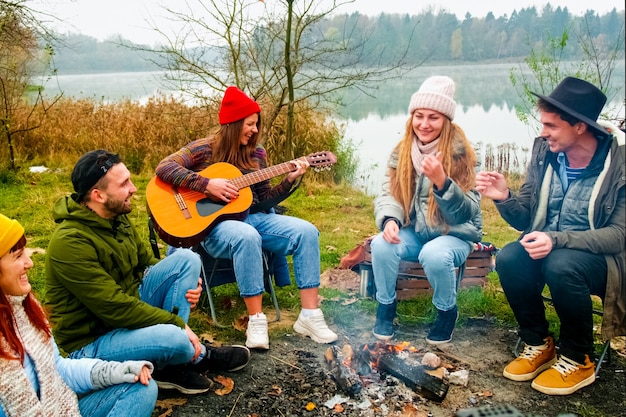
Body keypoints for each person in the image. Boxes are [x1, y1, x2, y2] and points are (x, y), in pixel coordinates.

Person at [44, 150, 251, 395]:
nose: (133, 188)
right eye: (124, 184)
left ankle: (173, 362)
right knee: (174, 337)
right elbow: (114, 307)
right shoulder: (70, 242)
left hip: (128, 309)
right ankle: (191, 354)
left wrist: (187, 284)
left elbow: (147, 265)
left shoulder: (115, 217)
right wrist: (175, 324)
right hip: (94, 341)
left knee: (186, 259)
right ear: (97, 195)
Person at [155, 86, 338, 350]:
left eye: (256, 124)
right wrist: (206, 185)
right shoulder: (203, 149)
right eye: (249, 124)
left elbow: (263, 201)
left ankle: (310, 316)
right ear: (232, 123)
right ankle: (256, 319)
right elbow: (165, 167)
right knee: (246, 235)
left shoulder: (257, 154)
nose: (254, 130)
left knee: (306, 231)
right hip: (214, 227)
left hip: (252, 217)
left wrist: (289, 180)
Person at [476, 76, 625, 395]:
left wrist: (556, 240)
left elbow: (618, 236)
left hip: (605, 262)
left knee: (561, 263)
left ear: (580, 127)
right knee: (511, 257)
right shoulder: (546, 151)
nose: (542, 132)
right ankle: (538, 343)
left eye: (551, 125)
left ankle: (578, 358)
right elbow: (527, 215)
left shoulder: (618, 164)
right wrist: (503, 197)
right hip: (552, 249)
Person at [0, 213, 157, 417]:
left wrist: (116, 371)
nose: (30, 263)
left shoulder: (24, 308)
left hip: (59, 409)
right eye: (18, 256)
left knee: (141, 388)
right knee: (172, 339)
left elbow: (58, 369)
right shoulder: (71, 242)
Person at [370, 75, 482, 345]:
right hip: (416, 231)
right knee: (381, 244)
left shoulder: (461, 153)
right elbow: (389, 192)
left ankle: (446, 312)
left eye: (433, 117)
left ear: (445, 120)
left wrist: (442, 183)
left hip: (456, 233)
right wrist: (390, 220)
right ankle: (386, 308)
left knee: (434, 254)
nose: (424, 124)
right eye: (419, 116)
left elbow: (466, 213)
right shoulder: (403, 151)